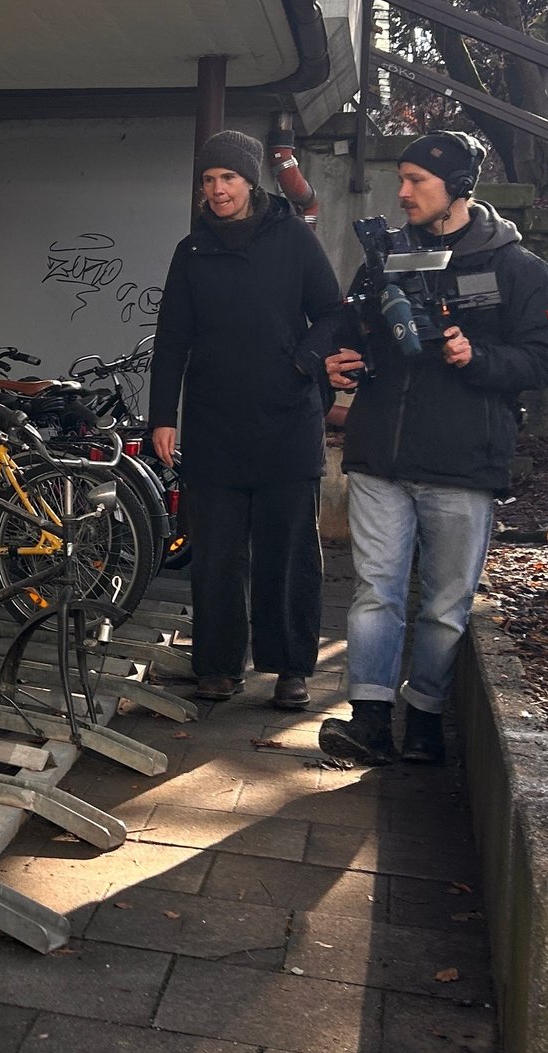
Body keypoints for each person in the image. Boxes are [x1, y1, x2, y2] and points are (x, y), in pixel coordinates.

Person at [303, 131, 548, 765]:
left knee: (446, 606)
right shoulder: (386, 256)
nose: (403, 192)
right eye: (402, 178)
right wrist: (338, 361)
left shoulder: (519, 269)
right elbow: (356, 324)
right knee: (375, 593)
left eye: (417, 180)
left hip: (463, 466)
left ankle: (423, 720)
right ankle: (369, 720)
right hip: (380, 459)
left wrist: (480, 357)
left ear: (459, 187)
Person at [148, 130, 341, 710]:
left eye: (227, 178)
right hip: (214, 426)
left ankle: (290, 669)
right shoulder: (193, 251)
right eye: (208, 181)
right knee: (216, 554)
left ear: (249, 182)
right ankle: (218, 666)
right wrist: (163, 417)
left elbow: (332, 314)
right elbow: (171, 339)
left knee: (288, 554)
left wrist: (304, 361)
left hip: (287, 423)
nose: (217, 190)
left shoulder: (292, 240)